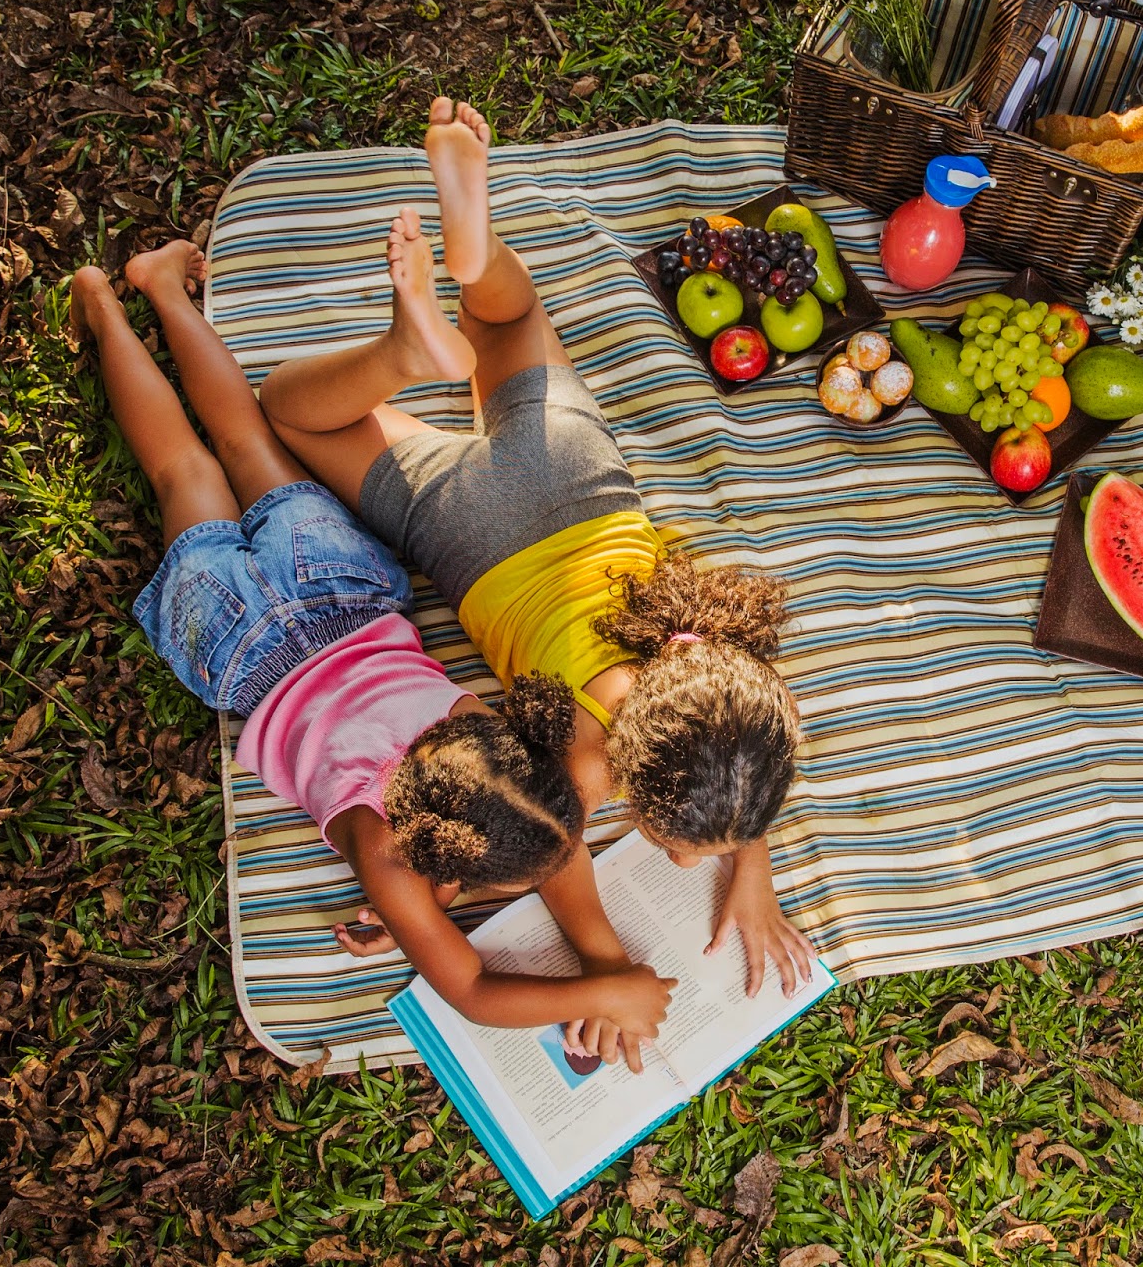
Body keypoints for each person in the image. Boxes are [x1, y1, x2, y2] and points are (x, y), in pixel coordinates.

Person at [259, 97, 816, 1069]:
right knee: (290, 416)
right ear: (623, 783)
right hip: (471, 535)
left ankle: (472, 262)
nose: (691, 861)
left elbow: (742, 744)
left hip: (575, 476)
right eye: (678, 844)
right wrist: (603, 959)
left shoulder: (719, 667)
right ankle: (398, 353)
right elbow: (556, 862)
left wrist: (752, 868)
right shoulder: (576, 764)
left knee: (512, 314)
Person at [68, 242, 675, 1056]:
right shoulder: (385, 851)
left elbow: (540, 832)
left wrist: (610, 974)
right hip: (242, 641)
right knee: (181, 475)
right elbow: (470, 990)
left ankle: (151, 292)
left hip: (338, 591)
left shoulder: (481, 733)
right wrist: (606, 982)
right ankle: (110, 303)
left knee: (240, 442)